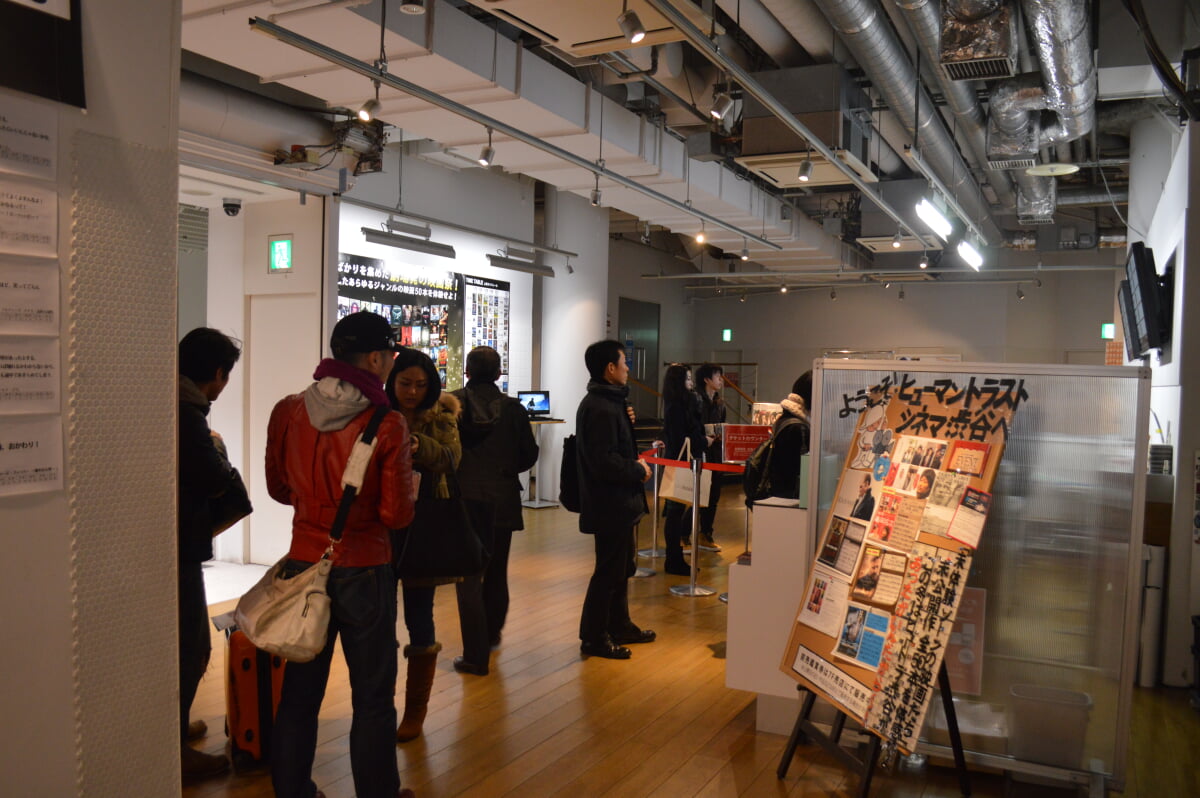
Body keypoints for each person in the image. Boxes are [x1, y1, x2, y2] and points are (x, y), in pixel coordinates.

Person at [265, 311, 415, 798]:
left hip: (304, 564)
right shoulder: (386, 422)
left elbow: (278, 488)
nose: (391, 362)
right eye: (390, 354)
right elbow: (395, 515)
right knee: (372, 697)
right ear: (375, 358)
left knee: (299, 695)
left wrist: (316, 507)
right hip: (365, 571)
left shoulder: (288, 410)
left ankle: (292, 790)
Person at [386, 348, 462, 741]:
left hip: (424, 526)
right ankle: (379, 708)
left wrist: (418, 446)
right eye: (405, 383)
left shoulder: (442, 417)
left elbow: (452, 459)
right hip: (380, 527)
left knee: (420, 615)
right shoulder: (378, 414)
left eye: (420, 385)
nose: (412, 392)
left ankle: (415, 712)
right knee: (379, 620)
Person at [178, 327, 242, 779]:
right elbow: (211, 473)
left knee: (184, 639)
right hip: (178, 543)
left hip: (167, 539)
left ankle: (174, 727)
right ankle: (175, 746)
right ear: (218, 374)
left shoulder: (172, 402)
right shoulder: (188, 412)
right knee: (190, 643)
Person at [452, 346, 539, 671]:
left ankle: (475, 654)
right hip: (503, 496)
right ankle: (491, 636)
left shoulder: (453, 404)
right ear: (499, 373)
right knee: (497, 571)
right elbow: (528, 455)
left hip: (463, 499)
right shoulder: (514, 409)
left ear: (468, 371)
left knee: (468, 577)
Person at [575, 340, 656, 660]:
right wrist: (636, 468)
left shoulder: (611, 403)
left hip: (620, 502)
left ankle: (618, 624)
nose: (627, 368)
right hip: (609, 503)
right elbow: (603, 461)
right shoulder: (599, 406)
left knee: (622, 567)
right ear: (610, 369)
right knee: (608, 570)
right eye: (624, 363)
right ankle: (593, 637)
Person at [659, 364, 707, 576]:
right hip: (680, 463)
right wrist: (703, 440)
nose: (691, 382)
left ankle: (674, 557)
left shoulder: (676, 403)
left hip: (678, 461)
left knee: (676, 512)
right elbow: (680, 438)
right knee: (675, 513)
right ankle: (673, 559)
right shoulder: (678, 406)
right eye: (687, 378)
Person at [688, 363, 726, 552]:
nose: (720, 380)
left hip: (716, 454)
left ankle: (706, 534)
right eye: (717, 376)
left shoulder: (719, 403)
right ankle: (684, 536)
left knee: (713, 495)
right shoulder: (696, 401)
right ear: (706, 380)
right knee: (695, 494)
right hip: (699, 453)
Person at [763, 371, 813, 500]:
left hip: (780, 492)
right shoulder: (798, 426)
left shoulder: (785, 418)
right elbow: (798, 470)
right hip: (790, 497)